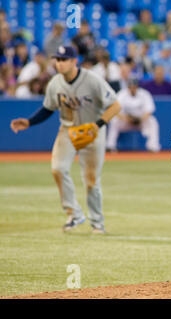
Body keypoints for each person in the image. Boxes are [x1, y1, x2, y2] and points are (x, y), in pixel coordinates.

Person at [10, 45, 121, 234]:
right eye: (57, 59)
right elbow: (48, 108)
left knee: (91, 180)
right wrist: (29, 122)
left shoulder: (92, 80)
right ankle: (74, 214)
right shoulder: (55, 83)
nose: (59, 63)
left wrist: (98, 124)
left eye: (64, 60)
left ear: (74, 61)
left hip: (93, 131)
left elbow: (115, 105)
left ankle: (97, 223)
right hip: (68, 130)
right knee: (58, 169)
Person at [106, 78, 161, 152]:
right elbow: (116, 111)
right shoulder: (122, 94)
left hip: (141, 120)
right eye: (131, 87)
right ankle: (110, 146)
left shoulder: (144, 94)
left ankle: (153, 146)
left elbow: (149, 111)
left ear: (137, 87)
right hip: (126, 121)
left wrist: (140, 119)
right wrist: (127, 119)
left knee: (152, 121)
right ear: (128, 87)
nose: (132, 89)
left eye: (134, 87)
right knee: (114, 121)